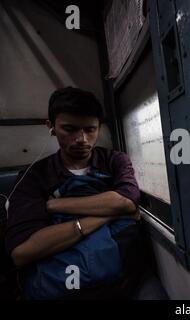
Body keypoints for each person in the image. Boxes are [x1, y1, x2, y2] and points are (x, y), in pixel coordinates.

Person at [4, 87, 143, 299]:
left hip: (115, 280)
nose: (82, 139)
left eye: (90, 129)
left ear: (99, 127)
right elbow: (22, 252)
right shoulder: (34, 177)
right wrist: (109, 214)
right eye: (69, 129)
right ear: (51, 127)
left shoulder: (115, 161)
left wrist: (54, 205)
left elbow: (126, 201)